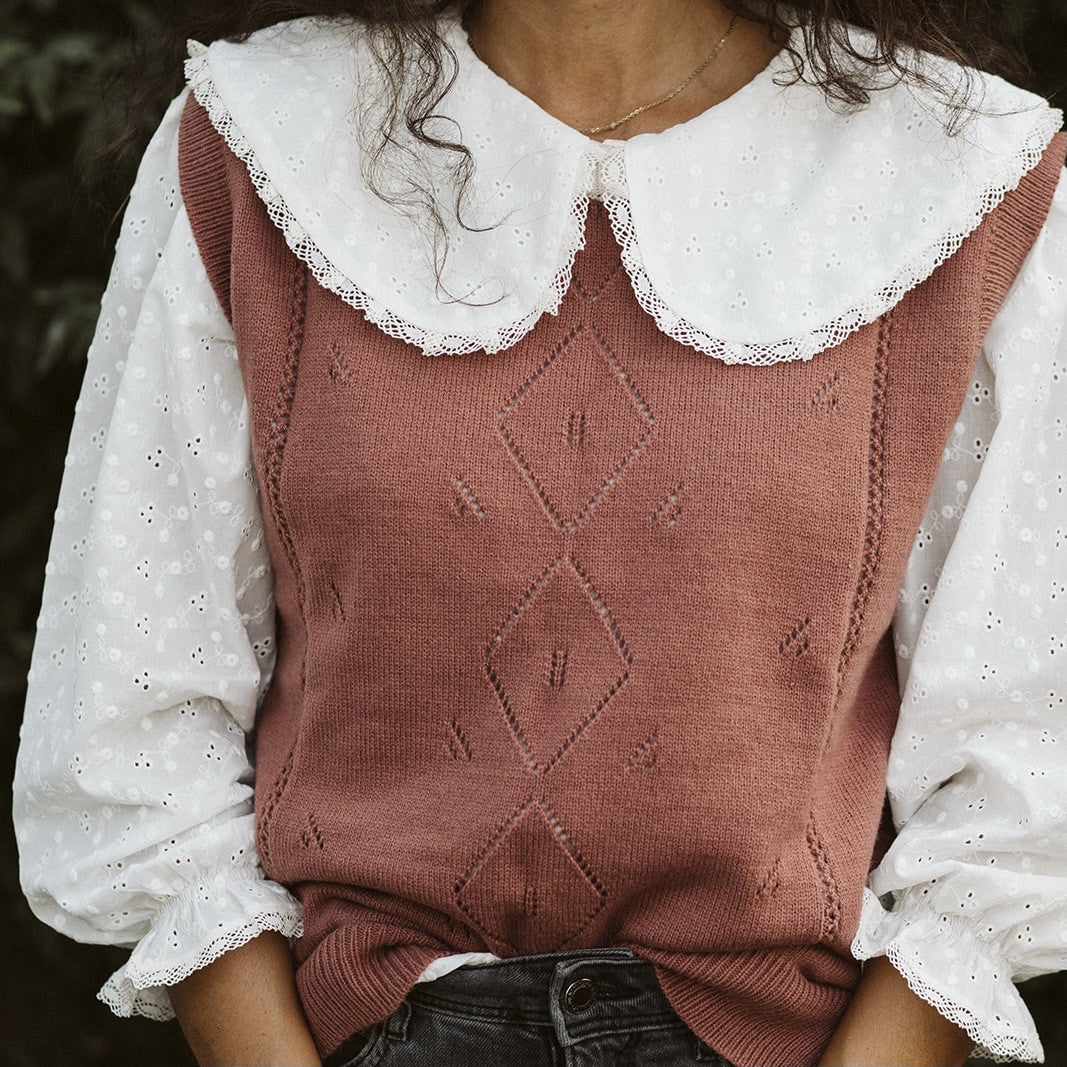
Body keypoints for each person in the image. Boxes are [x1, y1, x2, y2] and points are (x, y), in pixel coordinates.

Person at [12, 1, 1067, 1064]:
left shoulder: (961, 170)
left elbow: (1020, 757)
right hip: (370, 1023)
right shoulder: (260, 137)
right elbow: (133, 703)